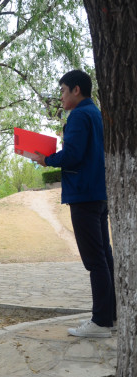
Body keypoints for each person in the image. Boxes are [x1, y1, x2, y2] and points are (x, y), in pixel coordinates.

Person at [30, 70, 115, 338]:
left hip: (83, 195)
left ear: (76, 90)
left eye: (63, 91)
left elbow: (73, 155)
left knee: (95, 260)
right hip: (99, 193)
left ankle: (101, 322)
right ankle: (111, 315)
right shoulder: (96, 113)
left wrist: (47, 160)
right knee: (104, 256)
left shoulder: (78, 115)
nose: (61, 97)